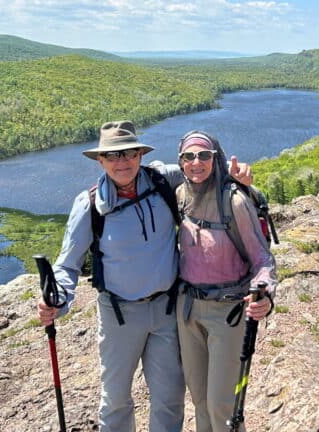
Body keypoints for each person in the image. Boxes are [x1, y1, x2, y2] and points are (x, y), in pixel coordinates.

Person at [36, 120, 252, 432]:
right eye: (112, 156)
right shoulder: (90, 204)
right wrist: (59, 300)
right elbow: (68, 264)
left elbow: (204, 166)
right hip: (119, 316)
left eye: (129, 153)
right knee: (116, 399)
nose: (121, 162)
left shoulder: (163, 180)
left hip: (166, 311)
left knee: (169, 398)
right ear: (100, 160)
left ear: (140, 155)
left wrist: (240, 176)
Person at [174, 130, 277, 432]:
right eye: (188, 156)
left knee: (222, 404)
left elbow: (263, 258)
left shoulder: (233, 201)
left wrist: (266, 294)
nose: (196, 162)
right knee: (199, 399)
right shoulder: (180, 195)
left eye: (204, 155)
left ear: (215, 158)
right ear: (180, 162)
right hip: (188, 309)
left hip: (228, 312)